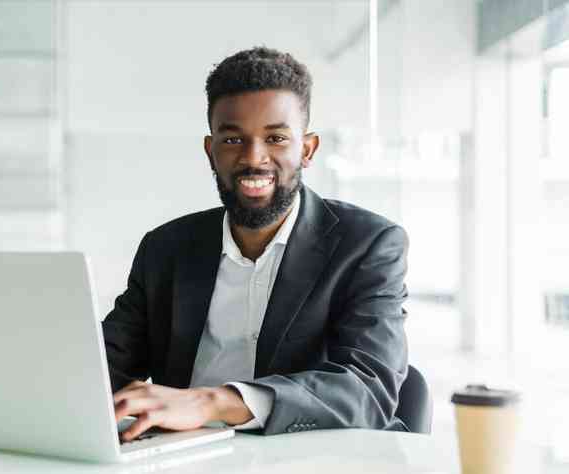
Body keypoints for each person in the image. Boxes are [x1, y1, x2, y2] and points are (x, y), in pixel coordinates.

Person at [103, 47, 409, 442]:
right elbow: (106, 365)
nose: (253, 158)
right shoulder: (166, 248)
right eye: (232, 139)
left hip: (306, 459)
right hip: (180, 457)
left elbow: (368, 388)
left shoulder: (368, 245)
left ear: (307, 149)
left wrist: (211, 403)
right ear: (210, 151)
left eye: (276, 138)